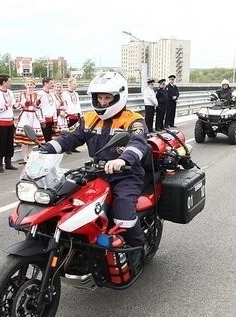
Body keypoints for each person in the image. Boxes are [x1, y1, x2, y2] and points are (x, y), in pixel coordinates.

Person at [40, 71, 149, 247]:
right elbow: (70, 138)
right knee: (70, 204)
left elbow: (138, 143)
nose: (103, 102)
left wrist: (123, 160)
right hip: (97, 172)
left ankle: (138, 248)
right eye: (100, 98)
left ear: (119, 97)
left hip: (126, 174)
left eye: (107, 98)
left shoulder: (133, 120)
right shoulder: (89, 118)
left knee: (122, 211)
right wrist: (44, 149)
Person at [0, 74, 18, 173]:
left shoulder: (10, 92)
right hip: (0, 122)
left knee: (9, 143)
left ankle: (8, 162)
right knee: (0, 144)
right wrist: (6, 105)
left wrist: (19, 104)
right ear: (4, 82)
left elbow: (14, 104)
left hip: (10, 121)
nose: (11, 83)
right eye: (9, 81)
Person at [14, 77, 44, 162]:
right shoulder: (22, 94)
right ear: (25, 85)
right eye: (28, 84)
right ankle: (24, 157)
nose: (29, 86)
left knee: (33, 137)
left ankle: (28, 155)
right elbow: (20, 105)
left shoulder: (37, 95)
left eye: (31, 84)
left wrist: (37, 104)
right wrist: (25, 104)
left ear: (34, 85)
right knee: (24, 138)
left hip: (33, 115)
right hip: (25, 115)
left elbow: (38, 107)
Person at [37, 77, 56, 141]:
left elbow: (53, 106)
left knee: (50, 137)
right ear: (45, 83)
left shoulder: (52, 94)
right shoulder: (40, 94)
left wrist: (54, 118)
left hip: (51, 118)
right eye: (51, 83)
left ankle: (48, 149)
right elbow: (38, 108)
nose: (52, 84)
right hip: (44, 118)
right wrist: (41, 119)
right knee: (44, 137)